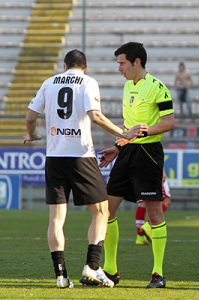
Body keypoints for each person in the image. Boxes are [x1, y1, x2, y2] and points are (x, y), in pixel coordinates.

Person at [23, 49, 147, 288]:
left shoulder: (49, 83)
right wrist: (124, 134)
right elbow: (96, 116)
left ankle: (60, 276)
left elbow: (30, 117)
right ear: (85, 67)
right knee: (102, 211)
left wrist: (33, 135)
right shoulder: (88, 82)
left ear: (64, 64)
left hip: (55, 157)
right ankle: (92, 266)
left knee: (56, 219)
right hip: (81, 155)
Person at [98, 42, 175, 288]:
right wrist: (117, 147)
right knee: (107, 209)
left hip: (149, 153)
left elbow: (169, 122)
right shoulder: (126, 88)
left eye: (122, 63)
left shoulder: (157, 87)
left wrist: (145, 132)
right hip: (127, 152)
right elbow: (128, 128)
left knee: (154, 212)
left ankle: (158, 273)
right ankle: (110, 270)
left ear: (137, 62)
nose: (119, 68)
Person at [135, 168, 171, 245]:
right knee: (166, 200)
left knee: (143, 202)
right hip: (153, 169)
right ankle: (148, 225)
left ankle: (140, 237)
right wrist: (162, 171)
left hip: (139, 169)